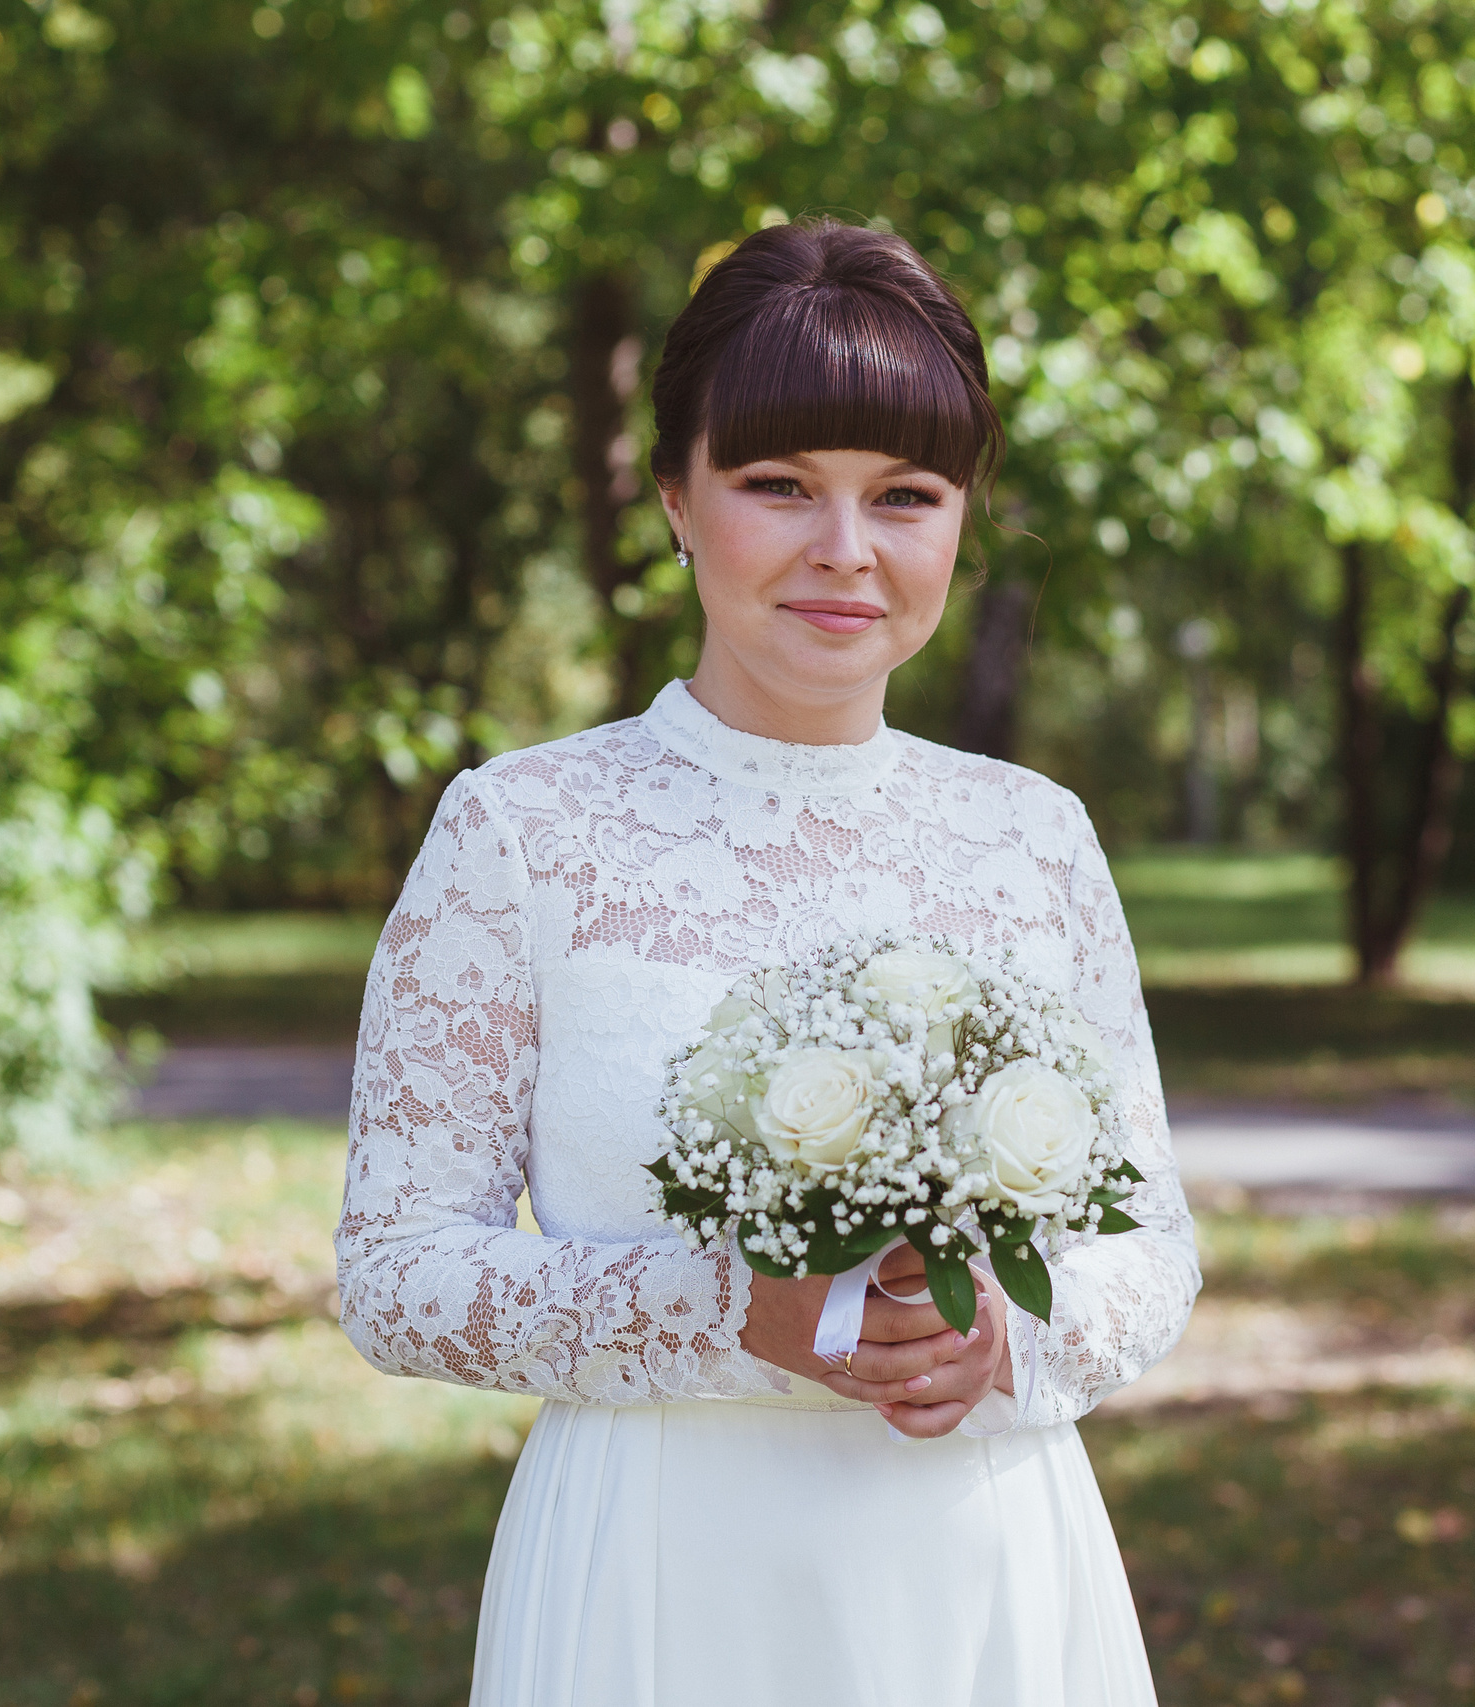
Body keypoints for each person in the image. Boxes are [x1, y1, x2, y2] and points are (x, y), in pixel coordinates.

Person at [336, 217, 1199, 1707]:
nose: (845, 551)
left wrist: (1006, 1339)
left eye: (906, 496)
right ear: (675, 496)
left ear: (960, 522)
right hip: (664, 1575)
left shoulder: (1034, 838)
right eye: (779, 486)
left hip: (984, 1560)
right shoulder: (524, 830)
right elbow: (397, 1273)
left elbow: (1152, 1249)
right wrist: (731, 1309)